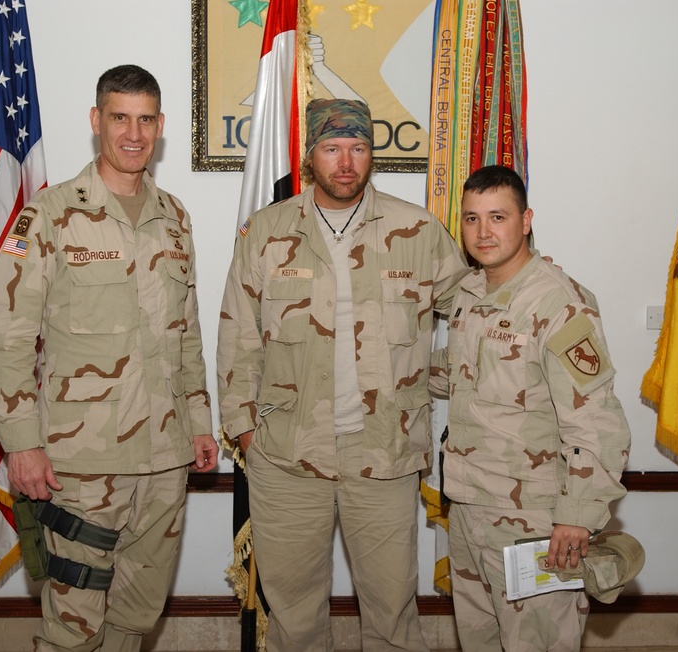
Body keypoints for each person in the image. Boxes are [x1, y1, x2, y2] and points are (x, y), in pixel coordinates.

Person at [0, 64, 219, 652]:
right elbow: (1, 337)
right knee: (73, 630)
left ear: (160, 126)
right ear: (95, 121)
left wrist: (200, 424)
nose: (133, 133)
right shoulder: (50, 216)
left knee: (136, 618)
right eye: (118, 118)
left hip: (164, 458)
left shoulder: (174, 219)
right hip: (81, 465)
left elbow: (186, 333)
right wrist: (21, 443)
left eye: (145, 119)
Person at [217, 98, 470, 651]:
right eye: (332, 149)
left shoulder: (418, 230)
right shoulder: (265, 231)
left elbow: (476, 312)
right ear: (311, 157)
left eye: (358, 148)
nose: (346, 162)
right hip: (286, 456)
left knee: (393, 613)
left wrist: (435, 376)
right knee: (294, 617)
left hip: (383, 453)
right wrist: (244, 429)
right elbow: (238, 334)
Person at [430, 165, 631, 651]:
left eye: (498, 216)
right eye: (472, 218)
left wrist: (577, 517)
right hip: (470, 508)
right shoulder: (469, 295)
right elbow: (455, 374)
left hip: (535, 521)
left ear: (526, 220)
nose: (484, 231)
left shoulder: (558, 303)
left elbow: (597, 421)